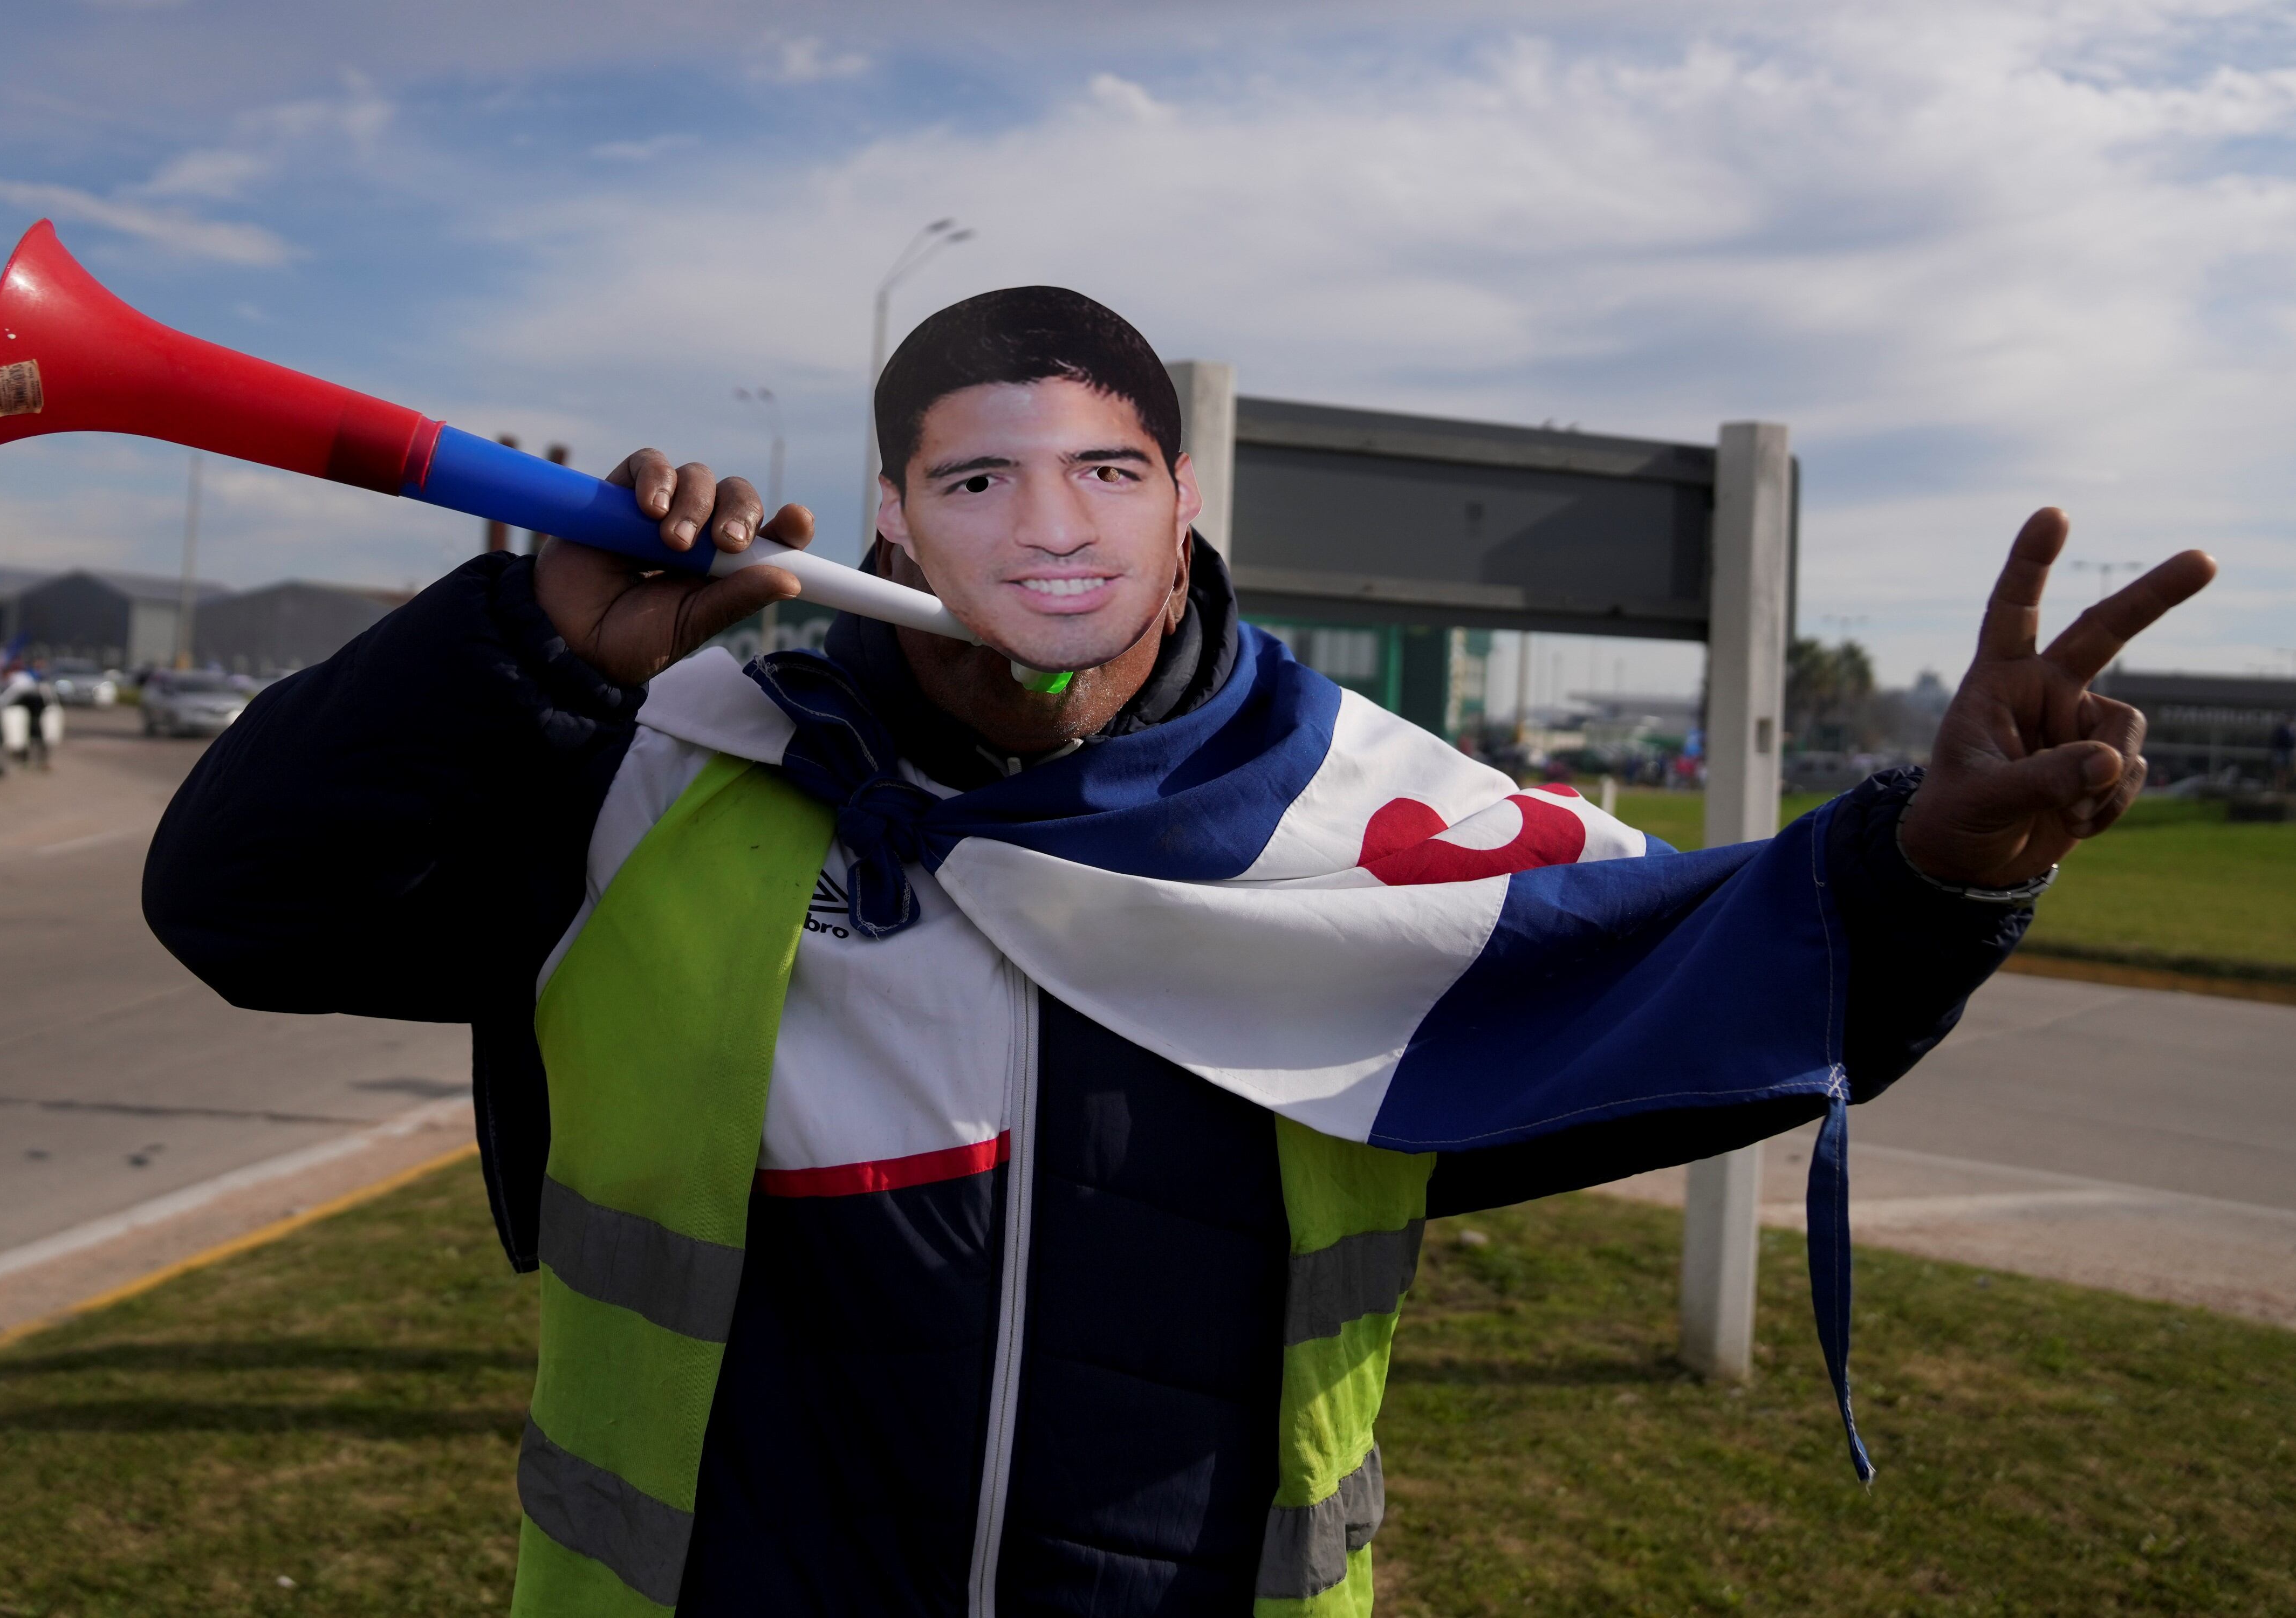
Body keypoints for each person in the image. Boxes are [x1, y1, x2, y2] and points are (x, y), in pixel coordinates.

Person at [146, 287, 2212, 1617]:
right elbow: (238, 903)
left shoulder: (1358, 830)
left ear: (1177, 521)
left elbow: (1710, 988)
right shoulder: (671, 771)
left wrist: (1930, 877)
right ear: (886, 529)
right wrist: (517, 646)